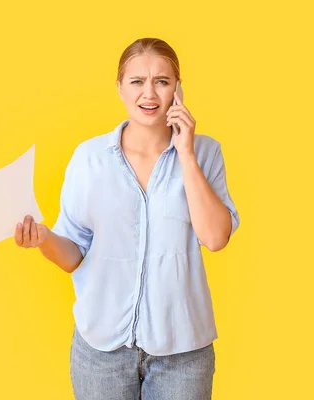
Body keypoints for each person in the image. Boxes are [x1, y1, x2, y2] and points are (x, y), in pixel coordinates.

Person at [14, 38, 239, 400]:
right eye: (137, 81)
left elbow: (215, 238)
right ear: (119, 87)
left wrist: (186, 153)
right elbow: (73, 256)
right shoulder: (90, 158)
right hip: (101, 352)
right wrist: (43, 238)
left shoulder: (205, 152)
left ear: (178, 89)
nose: (149, 93)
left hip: (182, 353)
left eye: (162, 81)